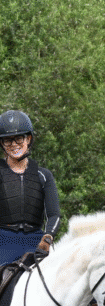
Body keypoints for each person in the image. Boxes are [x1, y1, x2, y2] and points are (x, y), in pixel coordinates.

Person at [0, 110, 60, 266]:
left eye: (19, 138)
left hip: (37, 241)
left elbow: (54, 215)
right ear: (2, 144)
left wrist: (48, 237)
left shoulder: (44, 175)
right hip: (3, 239)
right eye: (8, 140)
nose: (13, 144)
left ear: (29, 138)